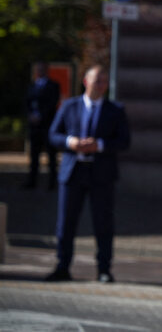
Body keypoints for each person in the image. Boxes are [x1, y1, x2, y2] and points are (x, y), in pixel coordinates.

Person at [45, 65, 130, 283]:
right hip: (73, 172)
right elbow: (53, 135)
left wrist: (99, 145)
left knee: (103, 223)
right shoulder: (69, 106)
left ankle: (104, 269)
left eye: (104, 81)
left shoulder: (115, 110)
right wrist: (70, 142)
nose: (100, 85)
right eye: (97, 80)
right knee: (66, 223)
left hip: (101, 174)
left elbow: (124, 141)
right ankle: (62, 267)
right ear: (86, 81)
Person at [24, 61, 60, 190]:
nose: (39, 72)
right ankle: (32, 181)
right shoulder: (32, 86)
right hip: (34, 127)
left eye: (42, 69)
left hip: (48, 125)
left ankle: (52, 183)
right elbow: (27, 103)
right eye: (37, 69)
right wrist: (30, 115)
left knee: (51, 156)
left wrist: (40, 116)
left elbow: (52, 103)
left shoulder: (53, 85)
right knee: (34, 155)